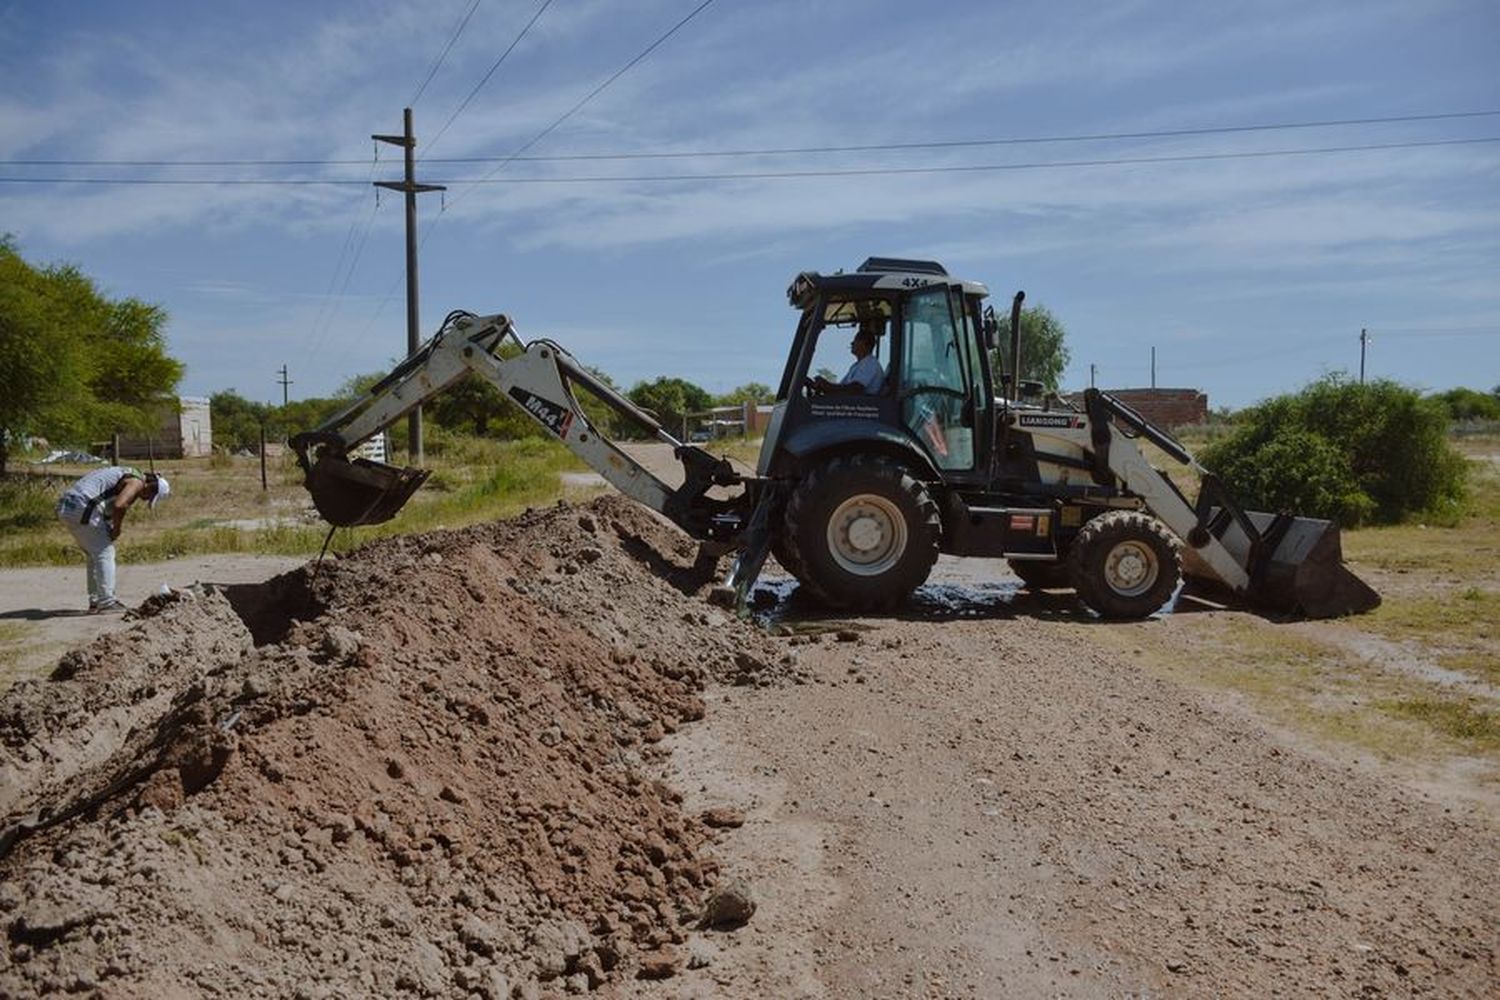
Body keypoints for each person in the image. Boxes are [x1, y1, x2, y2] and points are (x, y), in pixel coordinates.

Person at [54, 466, 171, 614]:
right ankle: (107, 602)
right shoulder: (137, 482)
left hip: (68, 505)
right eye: (149, 496)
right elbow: (120, 505)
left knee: (94, 554)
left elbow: (108, 505)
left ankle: (96, 601)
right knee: (105, 553)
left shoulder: (127, 473)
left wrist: (109, 525)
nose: (145, 498)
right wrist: (117, 530)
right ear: (150, 486)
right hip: (83, 506)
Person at [812, 322, 886, 395]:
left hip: (860, 405)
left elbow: (855, 389)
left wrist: (827, 385)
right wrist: (825, 386)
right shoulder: (856, 366)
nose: (852, 343)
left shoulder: (871, 363)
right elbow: (841, 388)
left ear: (865, 344)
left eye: (856, 340)